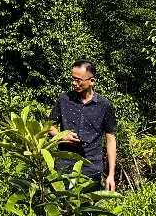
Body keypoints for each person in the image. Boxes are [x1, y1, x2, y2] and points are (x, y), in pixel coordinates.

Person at [49, 60, 117, 191]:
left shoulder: (104, 105)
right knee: (63, 207)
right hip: (64, 166)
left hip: (91, 168)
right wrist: (62, 136)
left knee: (89, 209)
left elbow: (111, 139)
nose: (74, 83)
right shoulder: (64, 99)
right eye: (73, 79)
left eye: (78, 80)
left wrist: (111, 174)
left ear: (92, 81)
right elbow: (49, 126)